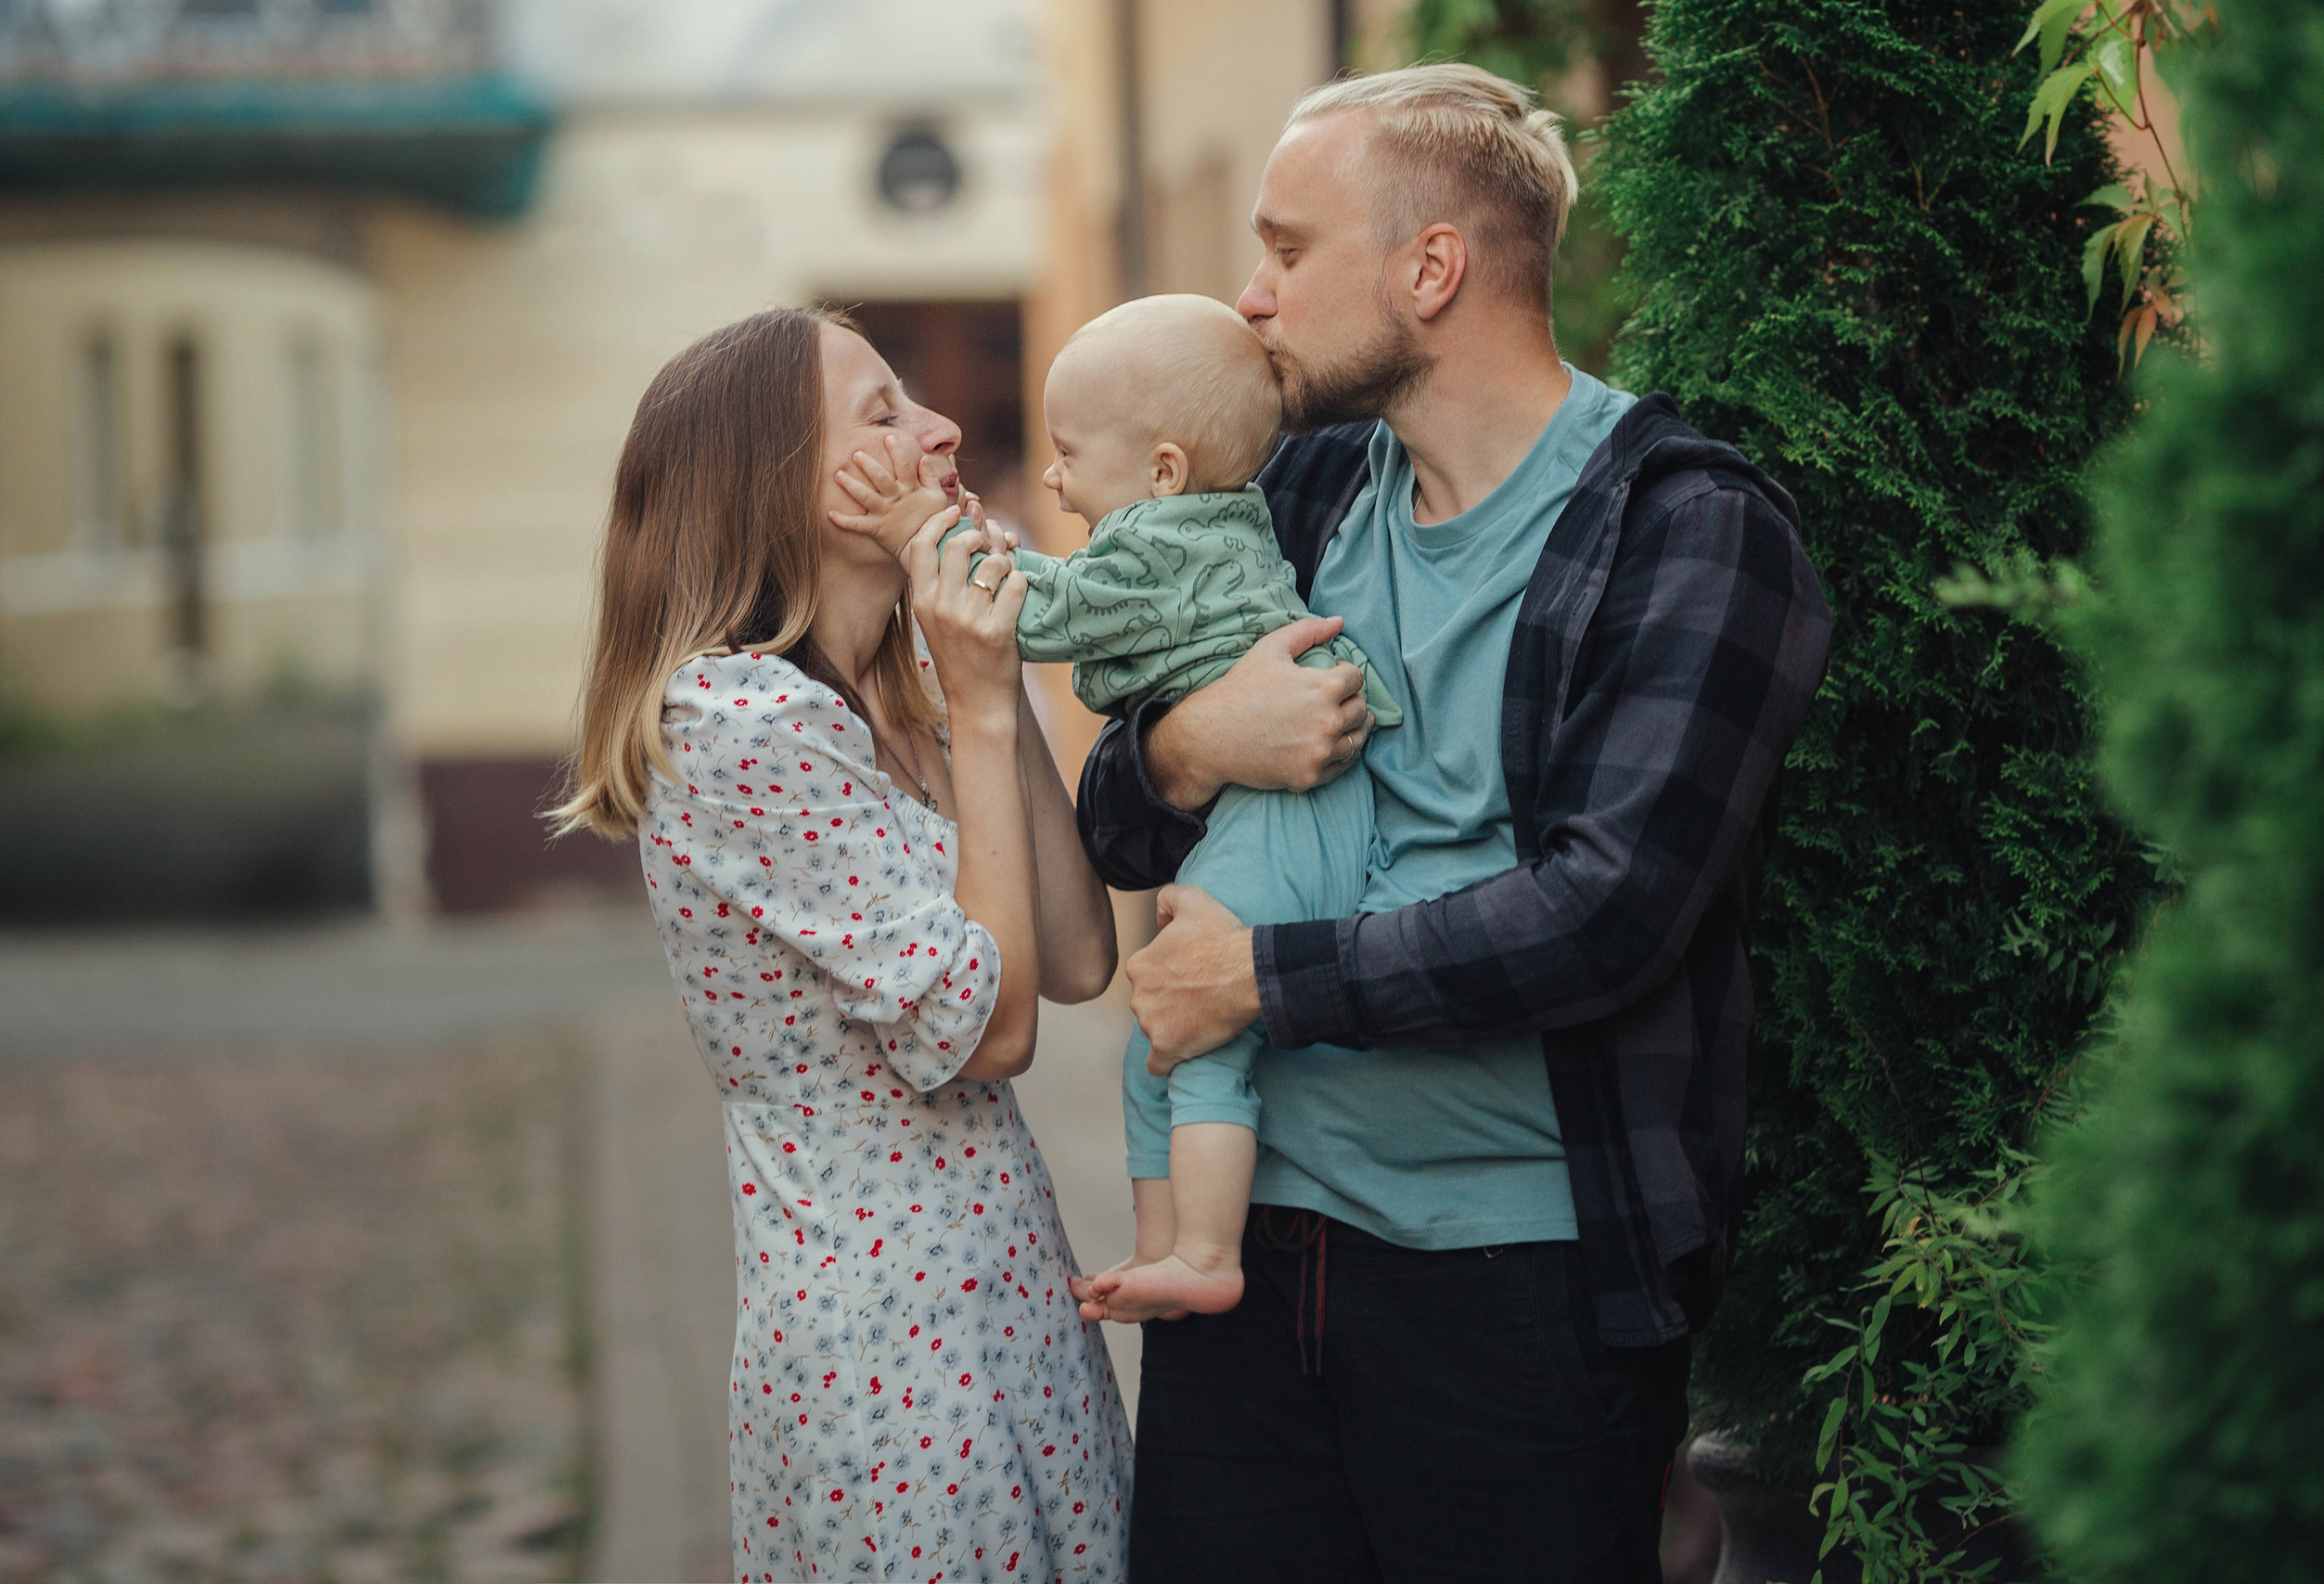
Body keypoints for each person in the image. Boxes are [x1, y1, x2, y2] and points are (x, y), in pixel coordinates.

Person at [1072, 66, 1836, 1582]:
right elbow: (1117, 820)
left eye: (1288, 249)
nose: (1252, 294)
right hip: (1245, 1264)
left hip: (1520, 1296)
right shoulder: (1292, 499)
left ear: (1432, 268)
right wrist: (1186, 741)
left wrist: (1259, 980)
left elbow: (1604, 910)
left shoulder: (1690, 529)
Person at [553, 306, 1133, 1581]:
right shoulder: (737, 723)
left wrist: (975, 660)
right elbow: (995, 1029)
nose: (942, 432)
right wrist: (979, 702)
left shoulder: (895, 687)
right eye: (882, 414)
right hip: (894, 1356)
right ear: (779, 488)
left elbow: (1080, 954)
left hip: (1011, 1292)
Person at [838, 291, 1399, 1326]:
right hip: (1269, 811)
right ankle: (1162, 1250)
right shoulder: (1205, 523)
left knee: (1205, 1035)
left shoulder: (1164, 545)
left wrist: (926, 535)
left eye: (1068, 453)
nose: (1048, 476)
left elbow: (1035, 613)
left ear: (1161, 473)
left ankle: (1207, 1252)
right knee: (1158, 1039)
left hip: (1285, 820)